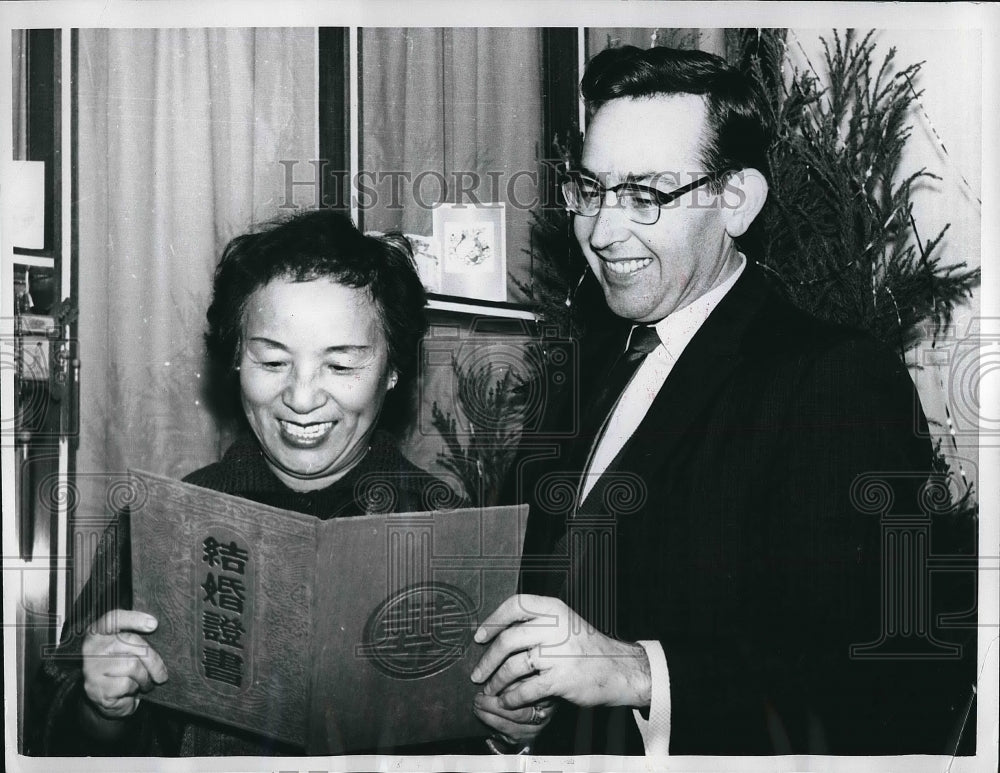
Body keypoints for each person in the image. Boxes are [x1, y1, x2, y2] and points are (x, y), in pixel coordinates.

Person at [471, 46, 976, 756]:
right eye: (591, 188)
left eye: (646, 194)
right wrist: (515, 713)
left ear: (736, 200)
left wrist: (638, 671)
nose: (603, 230)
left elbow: (878, 680)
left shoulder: (833, 380)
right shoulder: (587, 360)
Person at [30, 209, 459, 755]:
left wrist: (508, 728)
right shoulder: (161, 522)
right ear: (236, 357)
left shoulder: (445, 523)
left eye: (341, 366)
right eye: (273, 361)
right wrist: (101, 707)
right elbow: (53, 737)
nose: (302, 398)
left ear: (393, 369)